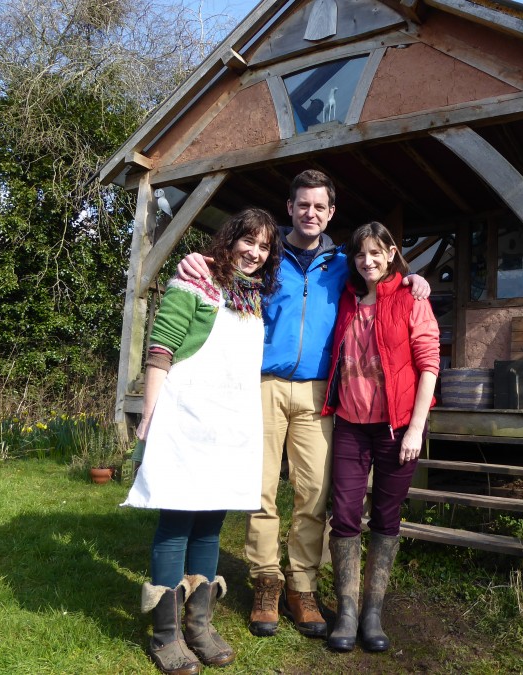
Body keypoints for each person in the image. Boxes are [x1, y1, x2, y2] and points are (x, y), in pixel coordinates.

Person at [177, 170, 430, 639]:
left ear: (331, 213)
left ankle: (303, 586)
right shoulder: (270, 258)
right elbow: (229, 269)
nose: (310, 213)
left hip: (319, 393)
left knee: (314, 494)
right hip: (264, 385)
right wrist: (196, 260)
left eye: (320, 206)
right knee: (261, 491)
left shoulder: (341, 264)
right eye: (303, 205)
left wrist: (416, 280)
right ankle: (267, 583)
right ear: (289, 207)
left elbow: (383, 274)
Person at [122, 207, 281, 675]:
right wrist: (149, 415)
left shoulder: (253, 297)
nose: (254, 252)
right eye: (247, 240)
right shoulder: (194, 280)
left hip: (228, 426)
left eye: (264, 246)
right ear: (230, 239)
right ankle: (166, 635)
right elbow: (161, 348)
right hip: (185, 419)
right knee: (176, 522)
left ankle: (199, 626)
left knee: (210, 524)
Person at [321, 221, 439, 653]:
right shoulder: (347, 298)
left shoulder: (411, 298)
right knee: (346, 514)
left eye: (375, 253)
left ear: (391, 252)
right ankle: (347, 612)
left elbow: (429, 364)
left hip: (396, 428)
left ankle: (373, 613)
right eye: (359, 254)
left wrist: (416, 428)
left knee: (387, 517)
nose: (367, 261)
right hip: (351, 425)